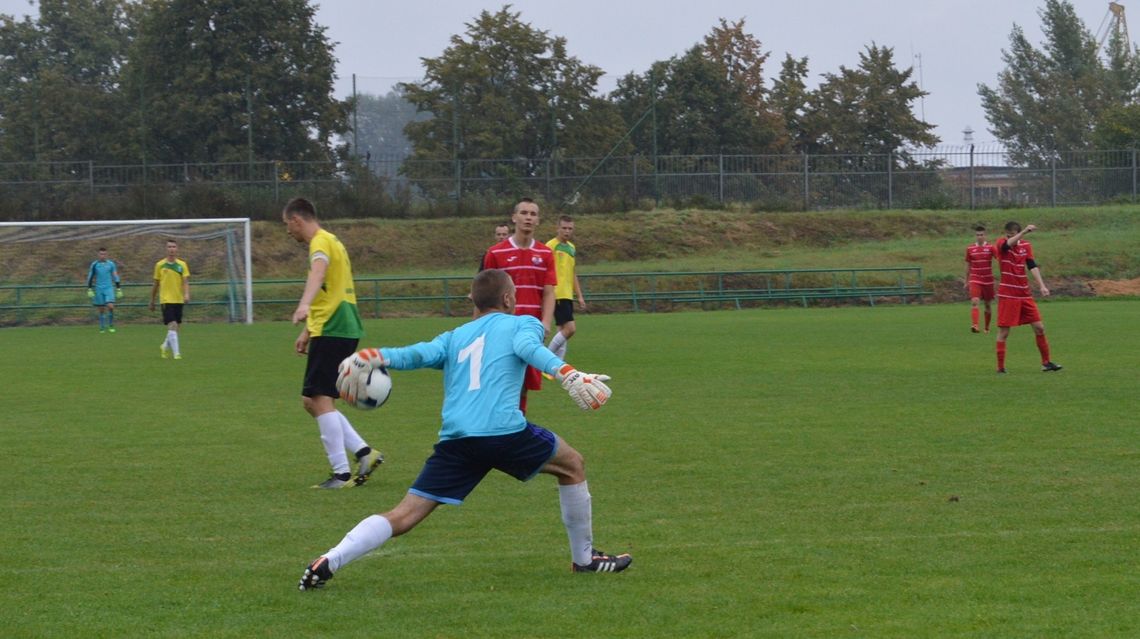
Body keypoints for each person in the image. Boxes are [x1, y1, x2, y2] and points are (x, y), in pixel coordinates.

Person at [298, 269, 629, 591]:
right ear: (509, 298)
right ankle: (584, 560)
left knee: (404, 514)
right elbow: (531, 349)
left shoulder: (454, 336)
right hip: (504, 434)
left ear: (474, 301)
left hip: (457, 441)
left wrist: (374, 355)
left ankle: (330, 559)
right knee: (572, 466)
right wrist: (567, 373)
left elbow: (416, 354)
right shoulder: (522, 323)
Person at [283, 197, 384, 489]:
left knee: (320, 399)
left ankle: (340, 474)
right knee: (311, 400)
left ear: (296, 220)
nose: (287, 231)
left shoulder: (320, 243)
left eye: (286, 224)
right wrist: (307, 330)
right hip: (335, 325)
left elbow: (319, 272)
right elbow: (331, 290)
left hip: (335, 326)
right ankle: (365, 453)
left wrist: (303, 304)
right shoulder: (332, 241)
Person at [481, 198, 556, 413]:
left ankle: (516, 428)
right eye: (524, 213)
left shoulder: (545, 254)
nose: (528, 218)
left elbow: (549, 292)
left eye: (533, 214)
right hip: (501, 328)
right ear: (514, 217)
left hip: (530, 329)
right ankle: (496, 428)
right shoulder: (495, 253)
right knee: (499, 382)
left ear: (538, 220)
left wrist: (546, 323)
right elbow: (485, 294)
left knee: (523, 384)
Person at [994, 221, 1062, 374]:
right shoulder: (1001, 243)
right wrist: (1023, 231)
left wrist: (1042, 285)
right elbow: (1007, 245)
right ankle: (1000, 367)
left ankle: (1046, 363)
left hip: (1024, 294)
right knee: (1004, 332)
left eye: (1011, 234)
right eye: (1008, 234)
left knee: (1039, 328)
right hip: (1008, 294)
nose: (1008, 237)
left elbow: (1032, 266)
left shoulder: (1026, 246)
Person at [546, 215, 587, 359]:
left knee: (562, 330)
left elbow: (572, 273)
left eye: (570, 229)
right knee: (570, 329)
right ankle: (546, 357)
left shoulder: (571, 248)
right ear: (557, 228)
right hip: (557, 293)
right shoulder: (550, 246)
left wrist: (579, 296)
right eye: (564, 228)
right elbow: (545, 270)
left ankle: (557, 366)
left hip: (567, 294)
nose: (567, 231)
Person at [149, 240, 190, 359]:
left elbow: (186, 282)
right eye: (169, 247)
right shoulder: (160, 265)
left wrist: (186, 294)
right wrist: (152, 300)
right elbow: (155, 284)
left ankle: (164, 346)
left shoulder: (182, 265)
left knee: (177, 328)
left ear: (177, 249)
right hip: (166, 300)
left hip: (178, 299)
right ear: (166, 249)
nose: (171, 249)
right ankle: (177, 354)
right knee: (172, 324)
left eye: (174, 247)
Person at [964, 225, 996, 334]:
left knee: (987, 305)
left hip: (988, 280)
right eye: (978, 235)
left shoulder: (991, 248)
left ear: (985, 235)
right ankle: (975, 325)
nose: (979, 237)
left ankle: (986, 328)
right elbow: (968, 265)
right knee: (975, 301)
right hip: (975, 278)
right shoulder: (970, 249)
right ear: (975, 236)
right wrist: (966, 280)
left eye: (981, 235)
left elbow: (1000, 259)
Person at [86, 247, 122, 333]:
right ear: (98, 255)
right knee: (101, 309)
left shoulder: (111, 264)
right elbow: (90, 276)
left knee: (110, 306)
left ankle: (111, 325)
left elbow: (115, 275)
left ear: (107, 255)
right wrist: (89, 289)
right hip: (99, 288)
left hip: (109, 288)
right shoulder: (94, 265)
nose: (103, 256)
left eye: (104, 254)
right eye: (101, 254)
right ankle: (102, 327)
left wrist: (118, 288)